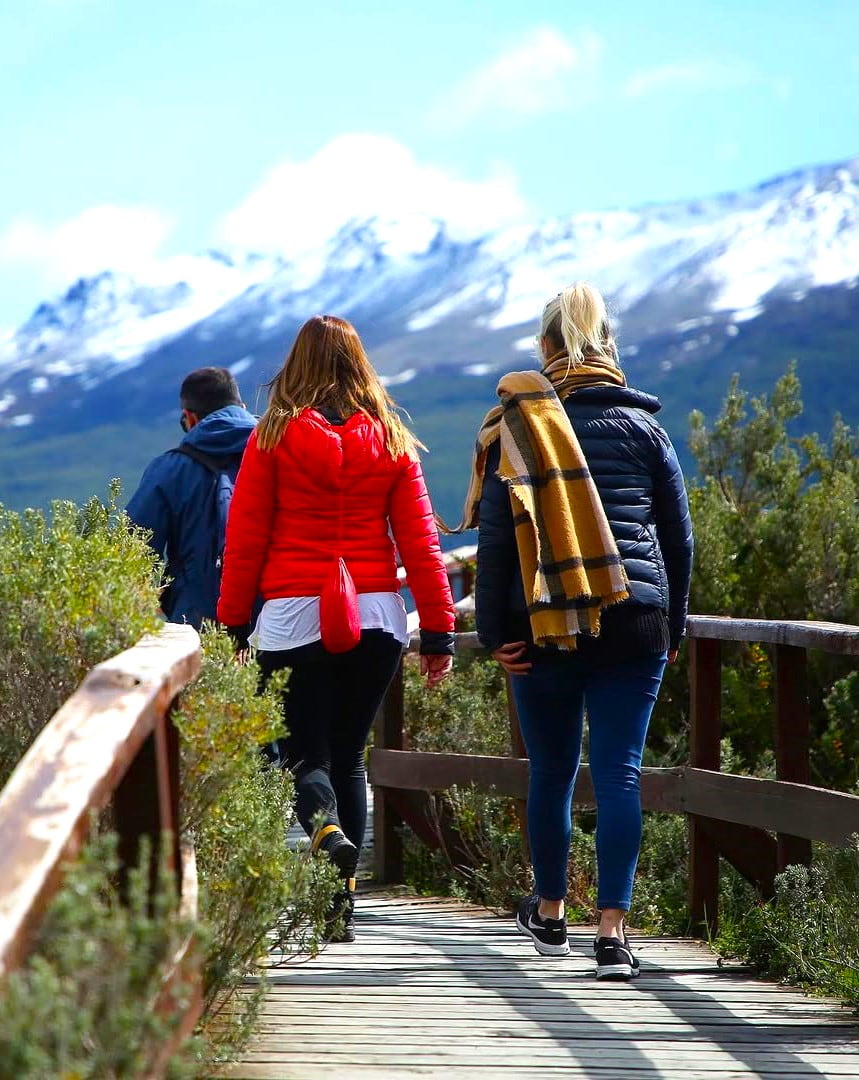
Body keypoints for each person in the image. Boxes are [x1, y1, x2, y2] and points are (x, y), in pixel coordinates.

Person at [455, 282, 693, 979]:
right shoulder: (645, 428)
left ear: (546, 348)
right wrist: (669, 622)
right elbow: (677, 539)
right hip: (634, 618)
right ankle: (613, 934)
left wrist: (494, 631)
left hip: (543, 621)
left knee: (552, 772)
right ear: (608, 347)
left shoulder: (516, 424)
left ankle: (552, 912)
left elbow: (498, 540)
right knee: (618, 774)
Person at [216, 314, 455, 942]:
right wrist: (437, 631)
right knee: (350, 755)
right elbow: (422, 546)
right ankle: (340, 905)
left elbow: (244, 539)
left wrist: (234, 625)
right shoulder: (393, 440)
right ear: (361, 367)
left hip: (293, 614)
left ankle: (324, 835)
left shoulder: (269, 438)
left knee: (305, 755)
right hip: (376, 613)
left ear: (296, 366)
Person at [127, 367, 256, 628]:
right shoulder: (280, 452)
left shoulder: (170, 468)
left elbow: (132, 552)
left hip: (197, 620)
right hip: (277, 621)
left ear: (190, 418)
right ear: (242, 407)